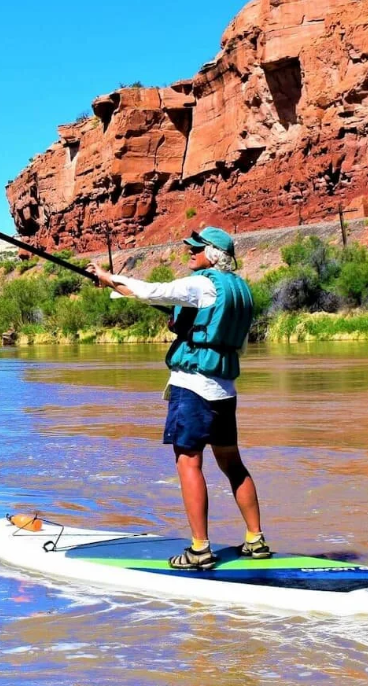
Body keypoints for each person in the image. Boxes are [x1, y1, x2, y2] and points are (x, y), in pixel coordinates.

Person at [85, 227, 270, 570]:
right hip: (224, 389)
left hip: (193, 386)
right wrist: (184, 325)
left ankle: (200, 549)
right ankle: (255, 540)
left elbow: (149, 291)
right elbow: (220, 332)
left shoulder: (202, 283)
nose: (190, 253)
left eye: (197, 249)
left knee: (189, 462)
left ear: (213, 254)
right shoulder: (241, 290)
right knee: (232, 463)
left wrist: (107, 277)